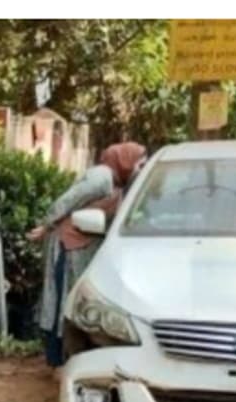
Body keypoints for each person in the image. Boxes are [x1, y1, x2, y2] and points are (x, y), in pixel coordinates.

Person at [28, 142, 147, 368]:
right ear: (125, 160)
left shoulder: (119, 184)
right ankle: (56, 359)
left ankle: (66, 357)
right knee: (64, 298)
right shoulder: (102, 178)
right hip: (69, 243)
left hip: (82, 244)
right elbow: (68, 200)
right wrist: (46, 225)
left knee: (75, 299)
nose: (139, 170)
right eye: (138, 164)